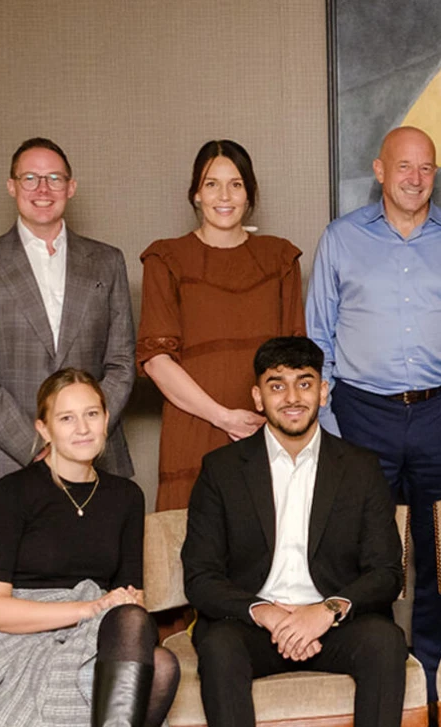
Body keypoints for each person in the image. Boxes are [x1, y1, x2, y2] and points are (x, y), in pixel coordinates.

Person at [305, 126, 441, 688]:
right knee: (361, 546)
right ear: (379, 170)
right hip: (359, 414)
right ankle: (371, 663)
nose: (415, 179)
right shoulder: (341, 239)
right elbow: (318, 340)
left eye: (426, 168)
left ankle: (435, 669)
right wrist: (328, 424)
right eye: (404, 166)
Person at [182, 336, 408, 727]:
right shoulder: (221, 470)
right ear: (258, 397)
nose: (292, 398)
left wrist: (326, 611)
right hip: (253, 625)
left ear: (323, 392)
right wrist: (265, 612)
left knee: (386, 641)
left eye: (304, 383)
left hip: (333, 623)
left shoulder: (361, 468)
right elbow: (200, 576)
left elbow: (386, 572)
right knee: (218, 646)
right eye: (277, 385)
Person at [0, 368, 177, 727]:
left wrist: (105, 611)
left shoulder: (126, 496)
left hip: (97, 630)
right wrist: (88, 608)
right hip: (20, 637)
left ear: (106, 419)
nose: (82, 428)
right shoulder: (13, 492)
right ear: (44, 429)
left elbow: (131, 597)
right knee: (155, 665)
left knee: (162, 663)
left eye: (91, 414)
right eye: (66, 418)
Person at [0, 137, 137, 509]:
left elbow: (121, 363)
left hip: (97, 460)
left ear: (71, 187)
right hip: (9, 460)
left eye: (54, 178)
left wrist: (84, 437)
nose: (43, 189)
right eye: (30, 178)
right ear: (12, 186)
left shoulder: (107, 261)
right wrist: (39, 446)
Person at [140, 140, 305, 511]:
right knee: (189, 537)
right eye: (212, 184)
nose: (224, 196)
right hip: (194, 427)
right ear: (196, 194)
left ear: (249, 193)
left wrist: (273, 422)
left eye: (236, 184)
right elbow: (156, 361)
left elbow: (296, 362)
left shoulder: (280, 258)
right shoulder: (165, 258)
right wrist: (223, 417)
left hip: (267, 429)